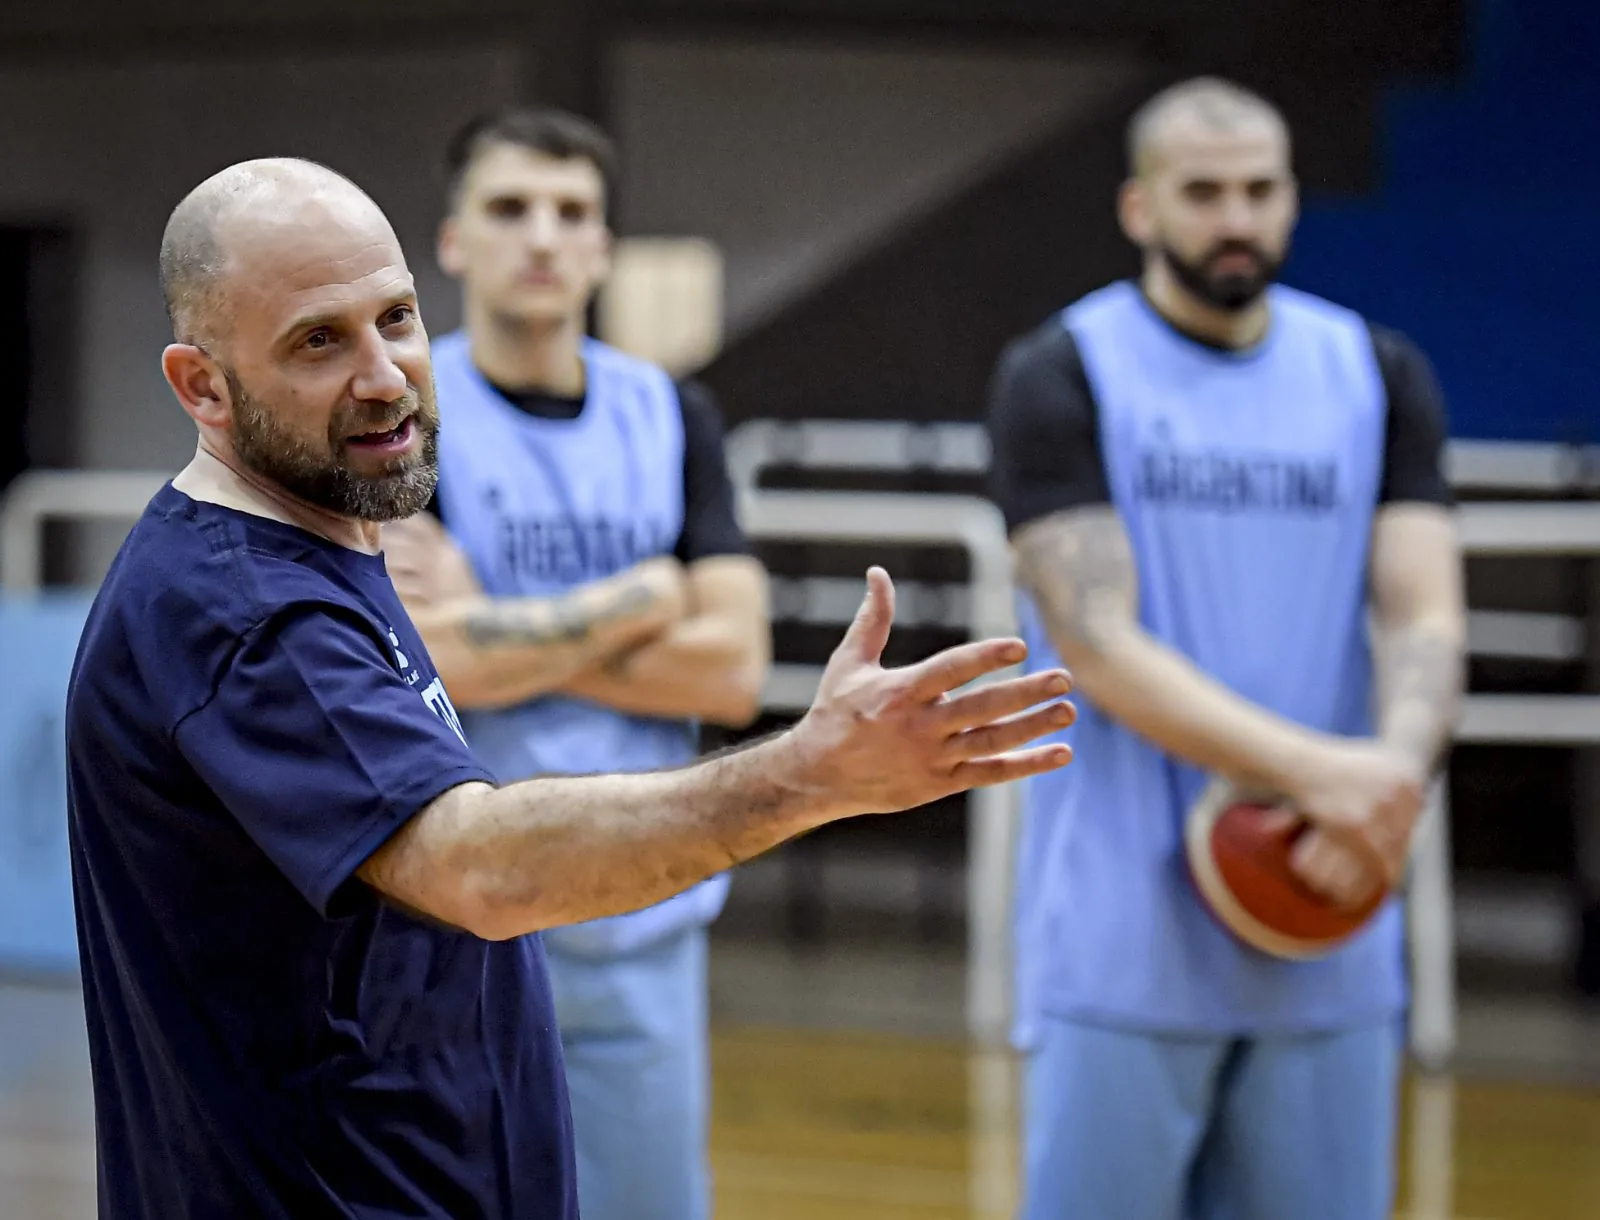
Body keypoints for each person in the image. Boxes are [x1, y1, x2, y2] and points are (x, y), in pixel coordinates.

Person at [64, 156, 1077, 1220]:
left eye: (397, 318)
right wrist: (807, 773)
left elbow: (719, 665)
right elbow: (477, 863)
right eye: (319, 340)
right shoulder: (247, 611)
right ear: (201, 385)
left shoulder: (332, 538)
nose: (384, 372)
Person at [984, 77, 1466, 1220]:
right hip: (1121, 935)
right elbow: (1093, 642)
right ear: (1140, 208)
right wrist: (1332, 776)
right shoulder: (1060, 371)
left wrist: (1386, 785)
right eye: (1201, 192)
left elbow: (1426, 616)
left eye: (1259, 189)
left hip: (1328, 900)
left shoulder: (1377, 371)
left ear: (1294, 201)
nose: (1234, 217)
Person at [378, 107, 765, 1220]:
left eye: (571, 214)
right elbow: (435, 657)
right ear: (452, 241)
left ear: (602, 246)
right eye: (508, 209)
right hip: (457, 916)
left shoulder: (671, 413)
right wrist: (640, 596)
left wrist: (510, 631)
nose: (541, 237)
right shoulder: (404, 414)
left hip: (644, 906)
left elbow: (734, 669)